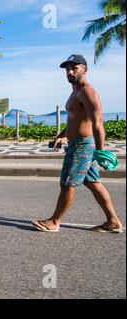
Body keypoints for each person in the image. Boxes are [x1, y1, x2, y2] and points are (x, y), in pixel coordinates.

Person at [32, 54, 123, 233]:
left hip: (82, 146)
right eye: (67, 69)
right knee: (93, 182)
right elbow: (75, 120)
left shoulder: (88, 92)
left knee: (67, 183)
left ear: (85, 70)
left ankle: (54, 221)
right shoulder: (75, 92)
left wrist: (101, 151)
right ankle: (113, 221)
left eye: (74, 68)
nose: (70, 72)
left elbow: (98, 122)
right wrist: (61, 135)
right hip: (77, 144)